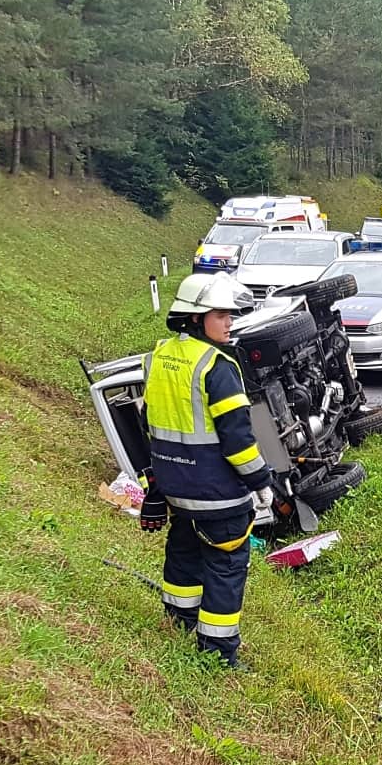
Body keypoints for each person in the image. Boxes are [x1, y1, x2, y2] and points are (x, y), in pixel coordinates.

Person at [138, 272, 276, 665]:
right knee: (226, 565)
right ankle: (218, 650)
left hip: (174, 488)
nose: (230, 321)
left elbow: (149, 421)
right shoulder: (217, 366)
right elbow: (238, 441)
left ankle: (179, 618)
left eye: (231, 315)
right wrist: (261, 481)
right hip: (217, 495)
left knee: (183, 548)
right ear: (197, 318)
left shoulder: (158, 357)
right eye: (221, 315)